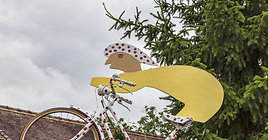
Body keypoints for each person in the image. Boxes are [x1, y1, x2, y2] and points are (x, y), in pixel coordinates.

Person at [91, 43, 224, 123]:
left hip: (202, 101)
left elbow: (128, 84)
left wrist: (95, 82)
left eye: (120, 56)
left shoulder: (140, 76)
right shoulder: (143, 75)